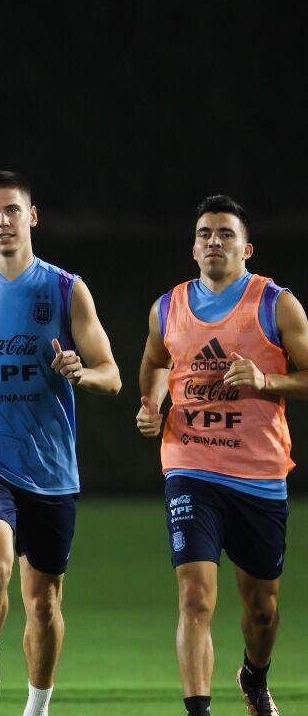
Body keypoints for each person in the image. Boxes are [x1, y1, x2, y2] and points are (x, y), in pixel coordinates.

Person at [0, 171, 120, 716]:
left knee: (44, 600)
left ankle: (36, 708)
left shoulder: (64, 289)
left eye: (12, 210)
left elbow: (113, 374)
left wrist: (80, 373)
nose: (2, 221)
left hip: (50, 465)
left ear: (31, 217)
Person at [135, 195, 307, 716]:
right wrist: (151, 403)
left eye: (225, 233)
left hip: (258, 475)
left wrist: (266, 380)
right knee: (195, 598)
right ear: (193, 248)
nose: (214, 240)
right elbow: (154, 360)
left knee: (262, 610)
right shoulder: (169, 306)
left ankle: (254, 677)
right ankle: (199, 711)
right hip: (190, 467)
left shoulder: (275, 305)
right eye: (205, 233)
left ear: (246, 247)